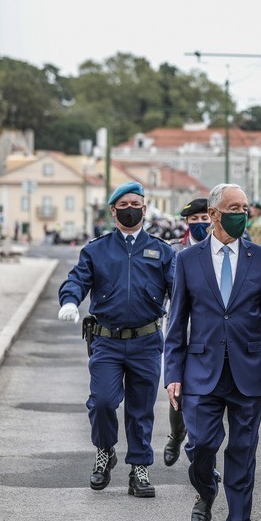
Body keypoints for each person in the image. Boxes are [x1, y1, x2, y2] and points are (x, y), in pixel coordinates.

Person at [164, 183, 261, 521]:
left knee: (243, 452)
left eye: (246, 207)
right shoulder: (187, 260)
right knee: (201, 443)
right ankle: (205, 488)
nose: (243, 214)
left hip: (249, 371)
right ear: (215, 214)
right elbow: (176, 322)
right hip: (200, 370)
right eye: (235, 207)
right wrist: (172, 373)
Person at [57, 181, 175, 497]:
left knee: (141, 408)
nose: (130, 209)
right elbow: (77, 279)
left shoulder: (162, 251)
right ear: (113, 211)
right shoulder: (96, 250)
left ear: (145, 209)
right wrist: (69, 300)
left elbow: (179, 292)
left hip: (146, 341)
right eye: (123, 205)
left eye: (135, 203)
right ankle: (105, 450)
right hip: (106, 341)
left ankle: (139, 469)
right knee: (103, 402)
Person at [163, 198, 212, 467]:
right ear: (187, 223)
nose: (200, 224)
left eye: (204, 219)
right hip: (181, 328)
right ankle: (176, 435)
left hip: (210, 332)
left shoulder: (221, 250)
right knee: (178, 389)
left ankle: (203, 454)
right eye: (194, 220)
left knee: (206, 396)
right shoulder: (175, 252)